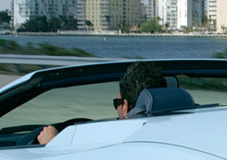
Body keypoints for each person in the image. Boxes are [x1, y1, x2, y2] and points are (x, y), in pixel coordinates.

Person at [37, 61, 166, 145]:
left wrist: (53, 144)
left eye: (117, 103)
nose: (116, 108)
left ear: (125, 107)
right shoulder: (168, 132)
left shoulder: (126, 144)